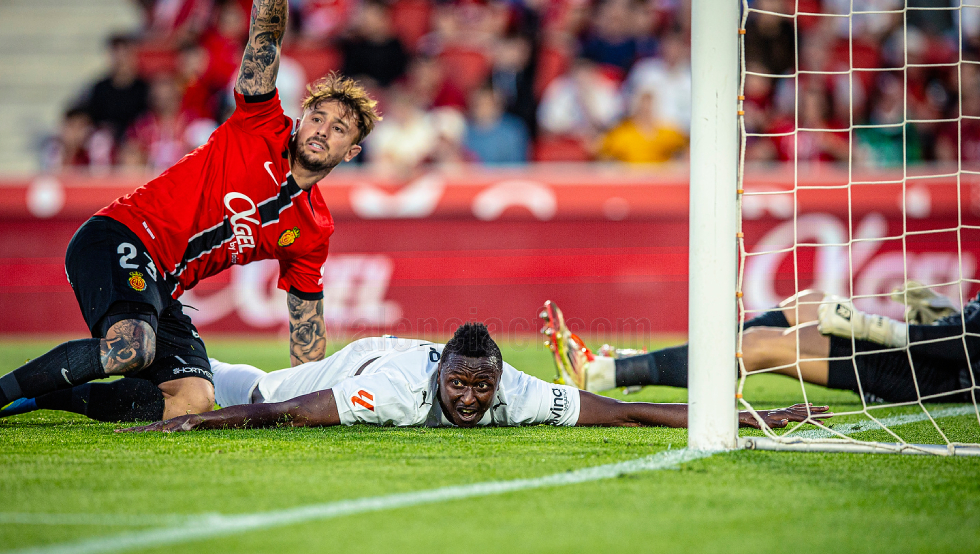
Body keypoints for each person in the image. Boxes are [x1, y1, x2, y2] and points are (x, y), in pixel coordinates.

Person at [0, 0, 380, 424]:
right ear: (301, 119)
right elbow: (265, 39)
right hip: (119, 235)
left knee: (192, 399)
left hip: (162, 284)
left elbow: (306, 324)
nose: (322, 131)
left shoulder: (312, 229)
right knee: (131, 346)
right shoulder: (260, 122)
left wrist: (306, 398)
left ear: (351, 153)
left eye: (339, 129)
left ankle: (35, 401)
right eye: (318, 118)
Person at [117, 323, 825, 433]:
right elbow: (293, 411)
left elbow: (624, 412)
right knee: (169, 392)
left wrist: (745, 418)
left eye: (479, 389)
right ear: (444, 374)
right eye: (459, 386)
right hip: (291, 382)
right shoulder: (400, 388)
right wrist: (202, 420)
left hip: (376, 355)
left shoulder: (512, 389)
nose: (468, 398)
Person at [546, 285, 979, 405]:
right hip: (931, 356)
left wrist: (876, 327)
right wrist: (946, 314)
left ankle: (604, 374)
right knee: (808, 301)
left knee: (757, 347)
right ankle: (651, 365)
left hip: (939, 378)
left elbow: (967, 345)